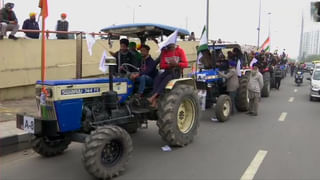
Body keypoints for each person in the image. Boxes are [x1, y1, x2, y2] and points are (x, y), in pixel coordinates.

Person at [147, 43, 188, 107]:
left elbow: (185, 64)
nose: (170, 48)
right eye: (169, 47)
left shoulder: (180, 51)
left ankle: (153, 97)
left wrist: (177, 64)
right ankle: (155, 100)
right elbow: (162, 65)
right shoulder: (164, 52)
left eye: (171, 47)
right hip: (167, 70)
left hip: (176, 72)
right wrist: (169, 65)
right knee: (157, 79)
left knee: (166, 79)